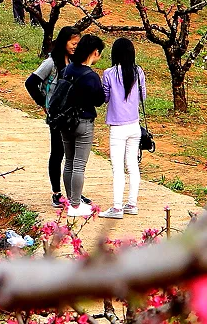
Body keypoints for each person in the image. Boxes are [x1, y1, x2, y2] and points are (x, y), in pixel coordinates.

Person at [25, 27, 83, 208]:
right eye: (72, 43)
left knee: (73, 156)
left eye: (77, 43)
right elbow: (31, 83)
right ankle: (57, 192)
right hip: (57, 117)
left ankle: (74, 193)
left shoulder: (75, 62)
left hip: (72, 115)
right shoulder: (50, 63)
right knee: (58, 153)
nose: (75, 46)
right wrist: (44, 104)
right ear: (63, 42)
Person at [99, 38, 147, 220]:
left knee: (118, 168)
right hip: (134, 126)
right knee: (133, 165)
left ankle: (117, 207)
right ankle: (132, 204)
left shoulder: (109, 73)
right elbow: (143, 96)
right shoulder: (138, 71)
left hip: (117, 128)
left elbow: (105, 97)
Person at [59, 34, 106, 218]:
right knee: (79, 164)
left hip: (65, 121)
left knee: (69, 161)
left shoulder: (68, 69)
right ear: (95, 52)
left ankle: (70, 201)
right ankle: (76, 205)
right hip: (83, 122)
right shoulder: (91, 76)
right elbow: (100, 100)